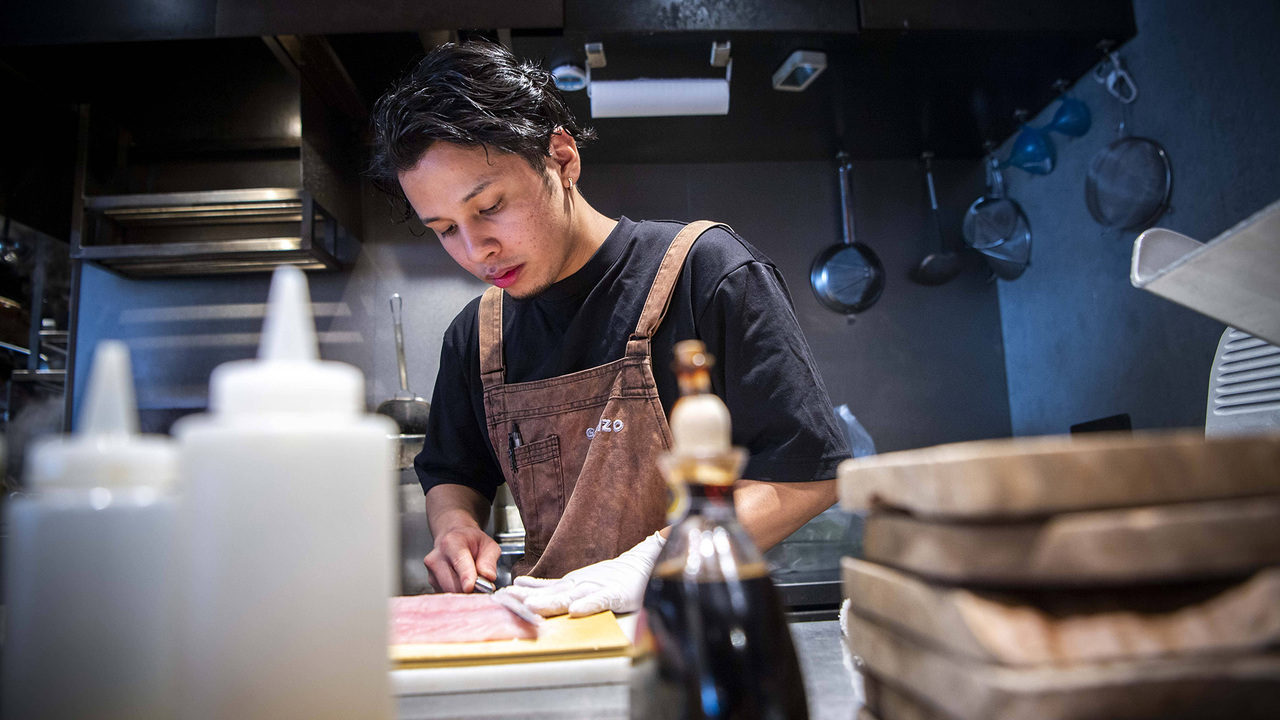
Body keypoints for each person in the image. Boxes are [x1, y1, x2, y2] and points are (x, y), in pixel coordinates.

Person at [368, 41, 849, 617]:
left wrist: (650, 564)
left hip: (705, 630)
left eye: (490, 206)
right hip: (556, 637)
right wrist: (455, 528)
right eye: (445, 228)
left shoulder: (707, 272)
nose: (476, 250)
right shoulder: (476, 335)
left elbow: (811, 475)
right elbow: (452, 471)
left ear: (562, 159)